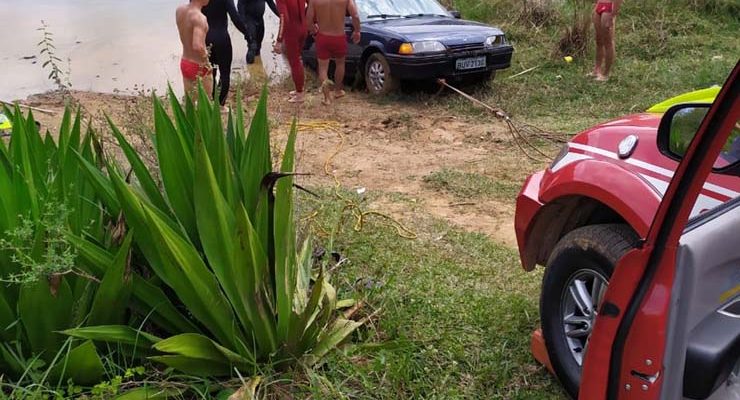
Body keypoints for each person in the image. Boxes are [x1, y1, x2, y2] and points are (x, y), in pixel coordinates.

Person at [306, 0, 360, 105]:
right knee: (340, 64)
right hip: (339, 36)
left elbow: (308, 19)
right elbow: (356, 15)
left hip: (323, 36)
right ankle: (338, 90)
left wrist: (313, 29)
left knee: (322, 69)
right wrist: (357, 31)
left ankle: (327, 98)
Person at [202, 0, 249, 107]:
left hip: (205, 38)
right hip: (222, 38)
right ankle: (220, 105)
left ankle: (211, 101)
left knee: (210, 73)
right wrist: (247, 34)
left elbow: (192, 13)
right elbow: (235, 18)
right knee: (224, 73)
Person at [176, 0, 213, 99]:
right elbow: (197, 45)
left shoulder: (180, 11)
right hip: (199, 66)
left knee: (190, 103)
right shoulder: (199, 18)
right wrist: (207, 62)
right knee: (207, 104)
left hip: (185, 62)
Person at [274, 0, 307, 103]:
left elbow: (284, 19)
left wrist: (279, 40)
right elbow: (311, 4)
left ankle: (299, 93)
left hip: (292, 32)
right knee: (297, 60)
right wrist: (313, 21)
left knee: (294, 62)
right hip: (303, 27)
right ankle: (299, 88)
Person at [591, 0, 622, 82]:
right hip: (599, 5)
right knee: (599, 40)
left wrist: (612, 14)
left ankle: (606, 74)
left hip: (609, 7)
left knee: (608, 41)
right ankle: (597, 70)